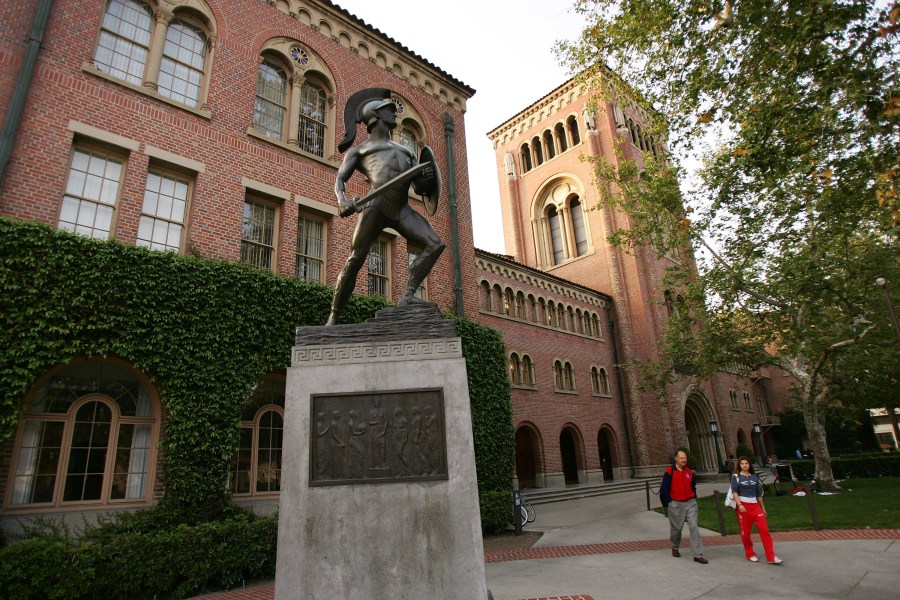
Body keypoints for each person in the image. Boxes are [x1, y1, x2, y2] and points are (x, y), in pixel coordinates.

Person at [326, 88, 444, 326]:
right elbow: (340, 180)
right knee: (356, 259)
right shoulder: (359, 151)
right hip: (374, 206)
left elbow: (420, 186)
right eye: (390, 111)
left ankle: (408, 295)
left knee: (435, 244)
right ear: (376, 116)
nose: (395, 115)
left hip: (401, 208)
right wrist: (342, 201)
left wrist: (428, 177)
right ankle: (333, 316)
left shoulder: (407, 151)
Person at [732, 456, 783, 564]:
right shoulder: (736, 477)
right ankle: (750, 553)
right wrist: (739, 504)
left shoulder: (754, 477)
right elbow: (734, 492)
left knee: (764, 531)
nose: (744, 465)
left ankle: (771, 557)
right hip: (743, 506)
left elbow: (758, 494)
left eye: (746, 463)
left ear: (749, 465)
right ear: (739, 465)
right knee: (746, 533)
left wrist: (763, 508)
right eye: (742, 463)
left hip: (755, 506)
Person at [660, 450, 707, 564]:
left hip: (690, 503)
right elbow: (664, 489)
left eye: (685, 458)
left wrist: (694, 496)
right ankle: (675, 547)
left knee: (694, 527)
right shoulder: (670, 471)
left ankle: (698, 554)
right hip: (676, 504)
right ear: (676, 459)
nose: (684, 460)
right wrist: (668, 503)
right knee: (677, 529)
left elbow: (693, 486)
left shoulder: (689, 472)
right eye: (681, 458)